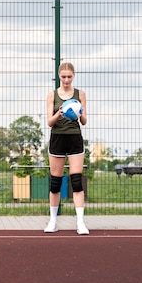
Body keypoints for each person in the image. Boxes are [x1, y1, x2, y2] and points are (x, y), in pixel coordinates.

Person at [44, 63, 89, 235]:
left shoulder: (80, 94)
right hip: (57, 138)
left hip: (74, 137)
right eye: (63, 76)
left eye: (69, 76)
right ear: (59, 76)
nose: (66, 80)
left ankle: (80, 223)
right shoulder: (52, 96)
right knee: (55, 182)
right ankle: (53, 221)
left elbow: (84, 121)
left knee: (76, 181)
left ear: (74, 76)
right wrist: (60, 113)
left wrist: (79, 113)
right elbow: (49, 122)